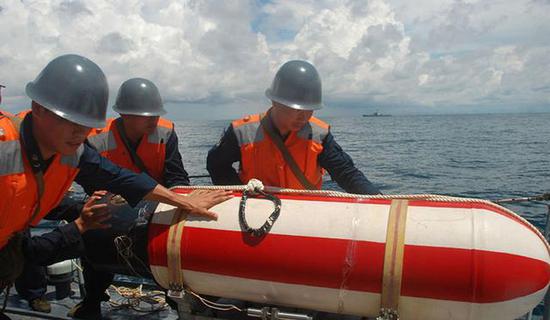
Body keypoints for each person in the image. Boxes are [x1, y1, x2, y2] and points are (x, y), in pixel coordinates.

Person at [0, 54, 230, 320]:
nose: (79, 133)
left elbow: (118, 176)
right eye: (70, 121)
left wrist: (184, 201)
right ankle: (87, 301)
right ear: (37, 108)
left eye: (86, 125)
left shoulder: (74, 151)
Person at [68, 78, 191, 319]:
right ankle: (92, 302)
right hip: (110, 207)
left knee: (166, 262)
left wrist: (180, 202)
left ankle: (178, 305)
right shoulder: (95, 137)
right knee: (94, 252)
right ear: (124, 114)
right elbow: (90, 177)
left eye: (155, 114)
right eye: (145, 115)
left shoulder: (165, 132)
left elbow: (176, 176)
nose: (153, 119)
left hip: (155, 207)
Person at [207, 60, 381, 195]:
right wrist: (240, 193)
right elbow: (216, 165)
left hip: (303, 214)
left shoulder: (319, 135)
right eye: (296, 109)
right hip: (257, 209)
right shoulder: (243, 131)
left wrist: (380, 201)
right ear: (275, 102)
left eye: (309, 109)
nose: (303, 116)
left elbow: (346, 173)